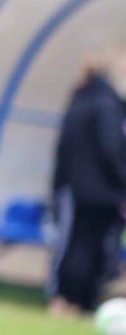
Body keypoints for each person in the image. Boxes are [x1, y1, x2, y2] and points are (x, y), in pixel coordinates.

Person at [48, 51, 126, 317]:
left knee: (79, 245)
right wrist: (122, 180)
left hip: (80, 189)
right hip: (100, 192)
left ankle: (71, 300)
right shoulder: (107, 106)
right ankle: (73, 299)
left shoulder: (82, 101)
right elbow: (110, 149)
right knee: (85, 246)